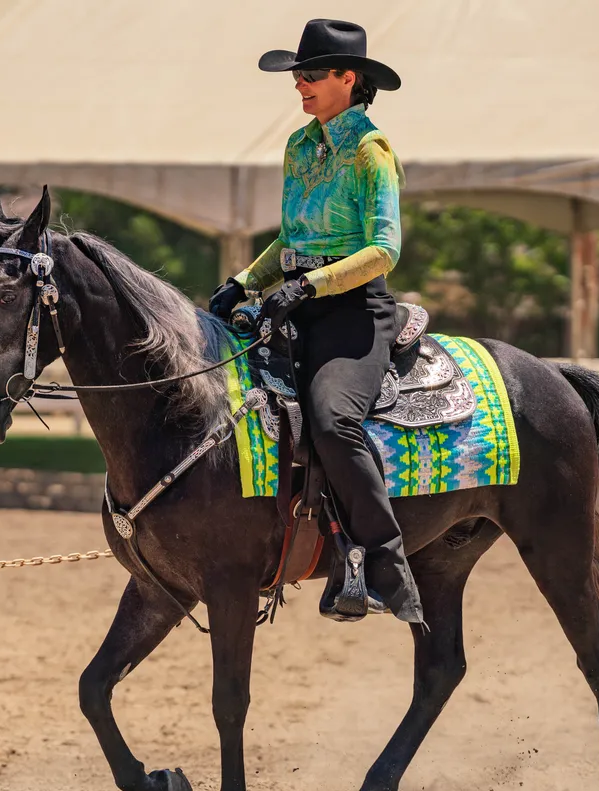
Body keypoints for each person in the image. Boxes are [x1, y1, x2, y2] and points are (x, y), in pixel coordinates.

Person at [208, 19, 422, 624]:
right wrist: (245, 282)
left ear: (347, 79)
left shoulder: (370, 151)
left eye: (309, 74)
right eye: (296, 75)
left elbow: (384, 250)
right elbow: (292, 237)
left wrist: (307, 285)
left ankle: (385, 563)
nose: (297, 84)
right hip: (294, 303)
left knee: (332, 421)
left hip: (353, 311)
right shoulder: (300, 146)